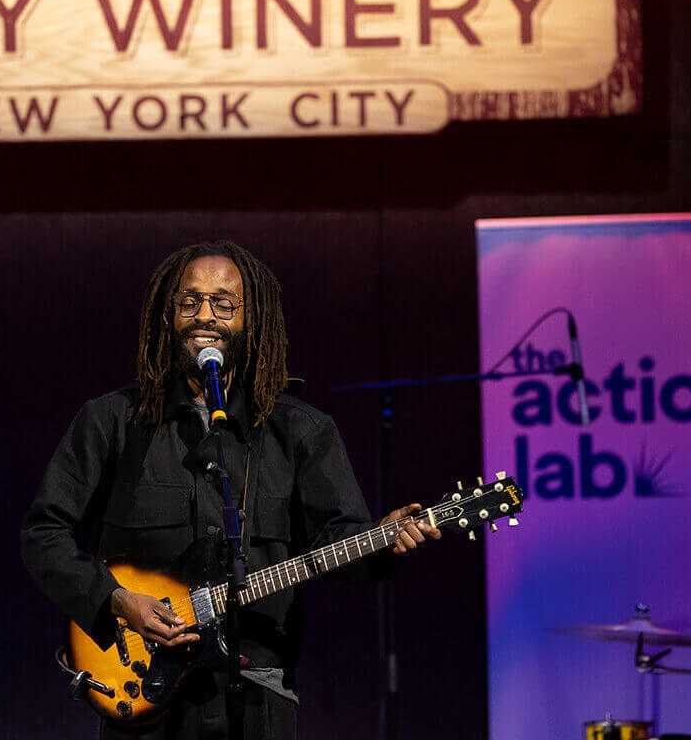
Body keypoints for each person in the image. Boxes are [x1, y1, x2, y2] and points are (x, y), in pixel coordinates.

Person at [22, 240, 439, 739]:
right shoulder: (111, 421)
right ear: (167, 314)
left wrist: (382, 540)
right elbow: (44, 533)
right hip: (146, 695)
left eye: (223, 303)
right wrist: (116, 600)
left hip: (259, 695)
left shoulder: (300, 431)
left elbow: (338, 542)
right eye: (189, 301)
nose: (205, 316)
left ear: (251, 318)